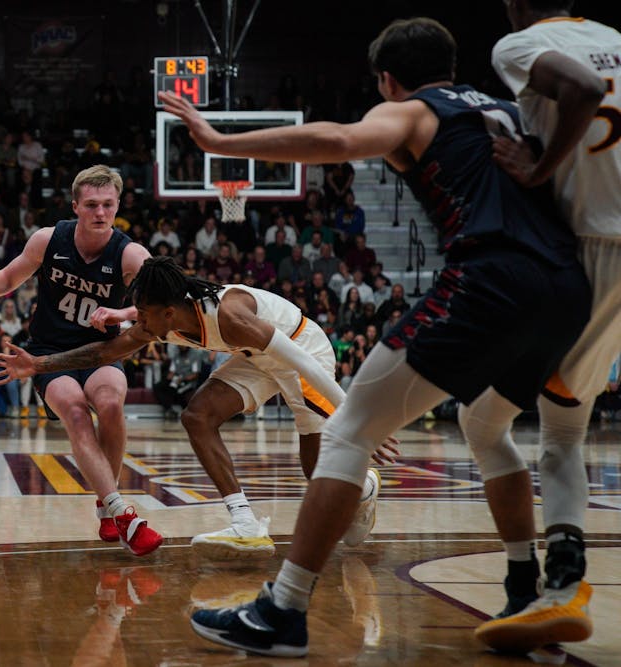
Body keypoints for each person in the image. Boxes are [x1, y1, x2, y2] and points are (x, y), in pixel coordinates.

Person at [159, 16, 591, 657]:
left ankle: (283, 611)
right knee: (487, 426)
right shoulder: (506, 110)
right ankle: (528, 590)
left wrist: (221, 139)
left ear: (388, 80)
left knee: (347, 431)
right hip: (570, 285)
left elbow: (338, 137)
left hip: (493, 278)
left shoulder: (417, 112)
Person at [0, 257, 398, 558]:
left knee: (314, 469)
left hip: (301, 350)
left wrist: (356, 420)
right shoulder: (163, 319)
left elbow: (301, 362)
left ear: (168, 311)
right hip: (255, 360)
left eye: (144, 315)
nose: (140, 324)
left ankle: (365, 487)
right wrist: (38, 365)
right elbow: (105, 351)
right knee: (196, 416)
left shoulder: (231, 315)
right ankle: (245, 524)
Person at [473, 0, 621, 653]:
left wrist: (537, 167)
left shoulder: (518, 47)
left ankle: (559, 586)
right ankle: (549, 581)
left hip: (599, 246)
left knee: (557, 422)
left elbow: (584, 89)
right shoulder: (614, 37)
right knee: (563, 415)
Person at [0, 165, 161, 556]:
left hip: (100, 350)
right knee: (74, 411)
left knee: (110, 404)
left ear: (118, 205)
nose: (101, 213)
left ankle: (107, 503)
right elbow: (7, 279)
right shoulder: (48, 240)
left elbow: (161, 304)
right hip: (48, 353)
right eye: (91, 205)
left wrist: (120, 314)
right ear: (76, 206)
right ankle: (120, 510)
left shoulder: (130, 253)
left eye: (108, 205)